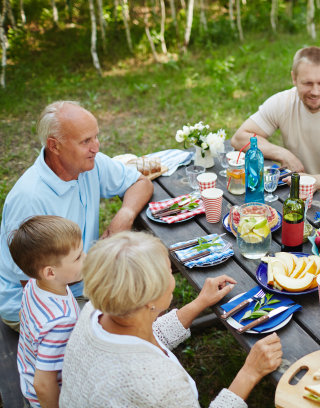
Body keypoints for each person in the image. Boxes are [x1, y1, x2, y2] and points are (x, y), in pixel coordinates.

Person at [60, 231, 283, 407]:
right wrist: (249, 372)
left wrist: (199, 303)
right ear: (149, 299)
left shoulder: (94, 311)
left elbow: (146, 334)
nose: (172, 278)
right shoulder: (161, 385)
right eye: (169, 272)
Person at [0, 101, 153, 330]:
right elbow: (29, 281)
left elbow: (141, 183)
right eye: (85, 141)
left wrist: (125, 214)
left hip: (82, 279)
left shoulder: (88, 163)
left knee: (146, 293)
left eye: (95, 137)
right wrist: (97, 300)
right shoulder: (30, 199)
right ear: (55, 146)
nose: (96, 147)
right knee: (124, 326)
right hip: (42, 301)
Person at [231, 46, 320, 198]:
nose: (315, 91)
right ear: (294, 78)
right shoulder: (283, 102)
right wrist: (283, 154)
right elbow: (240, 138)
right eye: (308, 83)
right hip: (294, 191)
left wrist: (312, 181)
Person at [8, 216, 84, 408]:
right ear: (50, 272)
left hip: (28, 367)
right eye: (78, 257)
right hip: (51, 395)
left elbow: (23, 317)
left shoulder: (35, 284)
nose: (86, 258)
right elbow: (43, 384)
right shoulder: (60, 322)